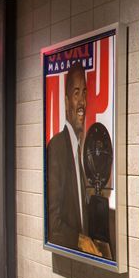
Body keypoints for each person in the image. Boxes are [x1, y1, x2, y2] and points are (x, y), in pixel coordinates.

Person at [46, 61, 101, 256]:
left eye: (84, 93)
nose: (82, 102)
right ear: (67, 100)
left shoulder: (79, 150)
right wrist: (80, 241)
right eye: (76, 93)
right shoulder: (57, 147)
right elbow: (52, 225)